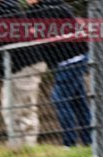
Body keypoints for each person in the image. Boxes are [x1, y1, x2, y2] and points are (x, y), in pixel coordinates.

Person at [0, 0, 47, 148]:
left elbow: (10, 33)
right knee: (9, 108)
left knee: (23, 108)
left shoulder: (8, 7)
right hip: (12, 67)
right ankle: (16, 145)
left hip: (25, 64)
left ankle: (28, 146)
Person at [27, 0, 91, 147]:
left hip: (74, 58)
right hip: (61, 62)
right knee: (78, 100)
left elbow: (54, 33)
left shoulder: (54, 6)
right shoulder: (32, 13)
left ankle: (70, 143)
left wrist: (37, 33)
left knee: (59, 98)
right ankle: (90, 141)